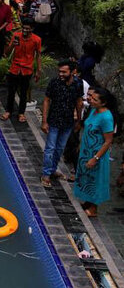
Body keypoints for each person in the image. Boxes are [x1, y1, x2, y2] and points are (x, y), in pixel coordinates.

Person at [74, 88, 117, 217]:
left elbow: (108, 141)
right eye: (91, 97)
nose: (90, 100)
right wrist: (81, 145)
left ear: (103, 103)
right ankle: (88, 202)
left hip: (97, 154)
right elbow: (87, 129)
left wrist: (95, 158)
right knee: (86, 177)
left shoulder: (106, 117)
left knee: (95, 180)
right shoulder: (93, 111)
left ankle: (94, 209)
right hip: (86, 151)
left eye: (94, 99)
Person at [41, 60, 84, 188]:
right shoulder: (54, 83)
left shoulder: (78, 84)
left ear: (72, 72)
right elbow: (47, 100)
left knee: (59, 148)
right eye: (59, 71)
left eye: (64, 72)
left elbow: (79, 102)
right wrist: (44, 121)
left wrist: (79, 121)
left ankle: (53, 169)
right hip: (54, 120)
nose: (60, 74)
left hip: (68, 122)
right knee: (50, 148)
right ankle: (46, 174)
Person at [1, 21, 42, 123]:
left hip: (27, 70)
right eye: (24, 28)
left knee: (23, 93)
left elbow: (38, 56)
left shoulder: (36, 40)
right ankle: (8, 111)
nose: (25, 30)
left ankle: (21, 113)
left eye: (27, 28)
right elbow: (6, 52)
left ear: (31, 29)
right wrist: (13, 46)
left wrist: (38, 71)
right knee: (11, 92)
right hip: (15, 68)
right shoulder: (16, 36)